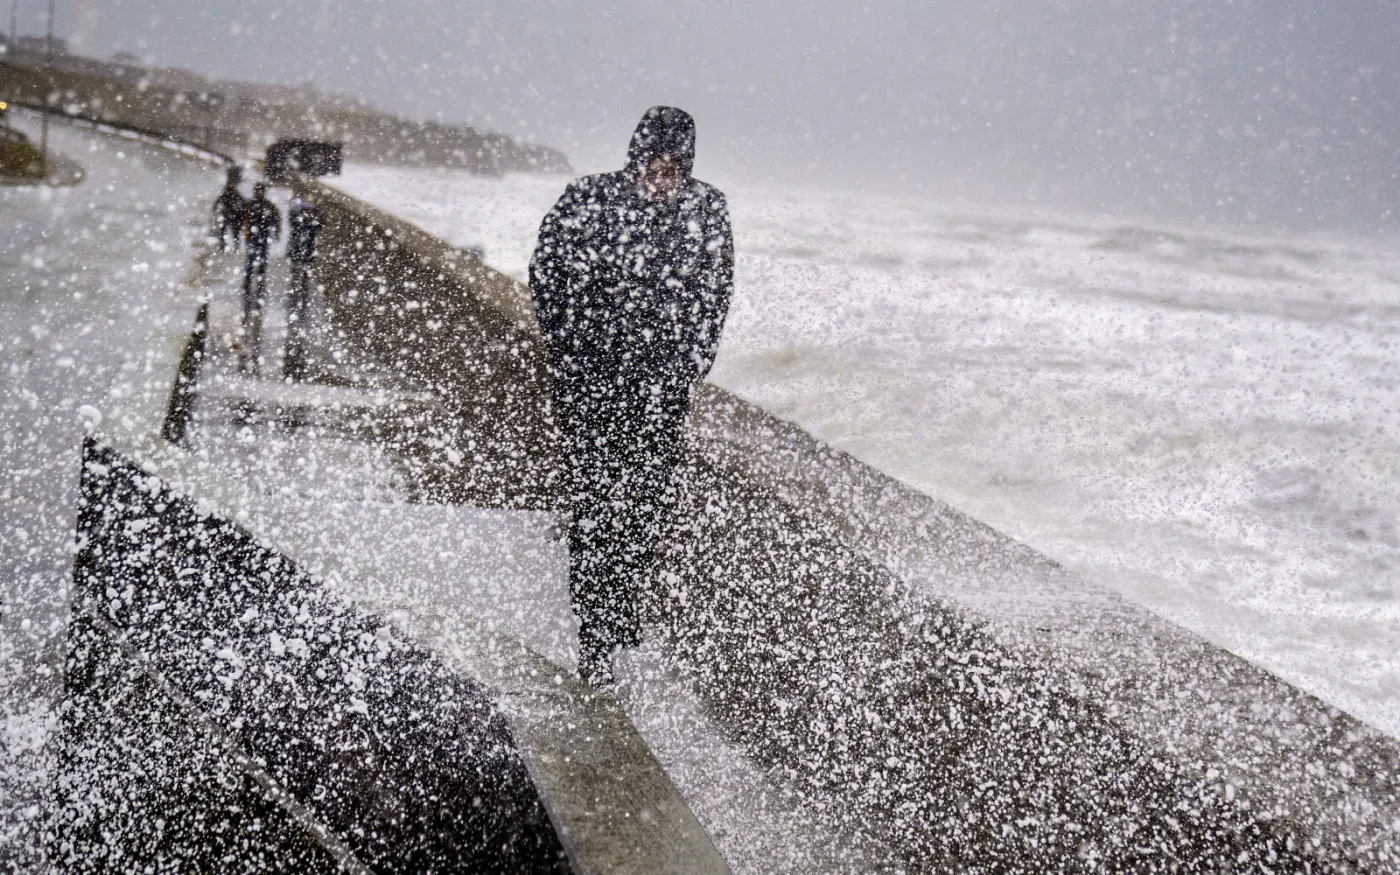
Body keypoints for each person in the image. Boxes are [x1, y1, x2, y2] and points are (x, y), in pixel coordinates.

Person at [529, 106, 735, 687]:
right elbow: (546, 274)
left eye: (673, 168)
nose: (661, 178)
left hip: (660, 389)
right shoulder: (589, 197)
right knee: (595, 503)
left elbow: (716, 293)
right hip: (590, 384)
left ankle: (619, 604)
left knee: (646, 503)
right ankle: (594, 636)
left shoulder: (707, 207)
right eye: (653, 165)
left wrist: (692, 365)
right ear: (635, 158)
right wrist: (571, 348)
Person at [240, 182, 281, 376]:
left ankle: (256, 279)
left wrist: (275, 231)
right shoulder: (255, 206)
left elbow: (275, 219)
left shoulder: (265, 206)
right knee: (252, 261)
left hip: (260, 239)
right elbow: (245, 220)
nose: (258, 193)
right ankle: (252, 279)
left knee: (259, 261)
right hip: (255, 239)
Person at [284, 194, 324, 381]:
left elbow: (292, 222)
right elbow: (320, 226)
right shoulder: (310, 221)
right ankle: (301, 286)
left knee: (298, 268)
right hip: (305, 249)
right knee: (303, 268)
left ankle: (297, 285)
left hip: (300, 249)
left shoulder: (298, 218)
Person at [212, 166, 245, 252]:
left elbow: (218, 202)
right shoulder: (230, 194)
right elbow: (242, 201)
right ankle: (229, 246)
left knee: (229, 232)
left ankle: (227, 246)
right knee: (229, 232)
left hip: (231, 215)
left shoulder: (229, 194)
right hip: (230, 215)